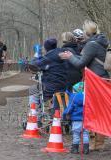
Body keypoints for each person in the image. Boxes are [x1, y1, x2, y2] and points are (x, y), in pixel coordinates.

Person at [59, 20, 109, 151]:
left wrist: (70, 57)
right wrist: (73, 56)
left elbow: (80, 64)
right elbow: (86, 59)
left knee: (92, 111)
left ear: (87, 33)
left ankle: (94, 143)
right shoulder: (100, 42)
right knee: (100, 111)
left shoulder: (91, 45)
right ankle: (99, 143)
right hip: (102, 79)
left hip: (95, 81)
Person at [30, 38, 68, 106]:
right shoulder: (62, 53)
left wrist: (36, 55)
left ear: (46, 48)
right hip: (64, 86)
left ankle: (34, 112)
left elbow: (33, 66)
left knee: (33, 89)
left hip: (50, 88)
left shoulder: (48, 57)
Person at [63, 82, 89, 154]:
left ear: (75, 90)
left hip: (76, 121)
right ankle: (86, 149)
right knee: (85, 134)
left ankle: (75, 149)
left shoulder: (73, 97)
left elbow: (69, 108)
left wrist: (65, 114)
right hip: (85, 120)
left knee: (76, 135)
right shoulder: (86, 97)